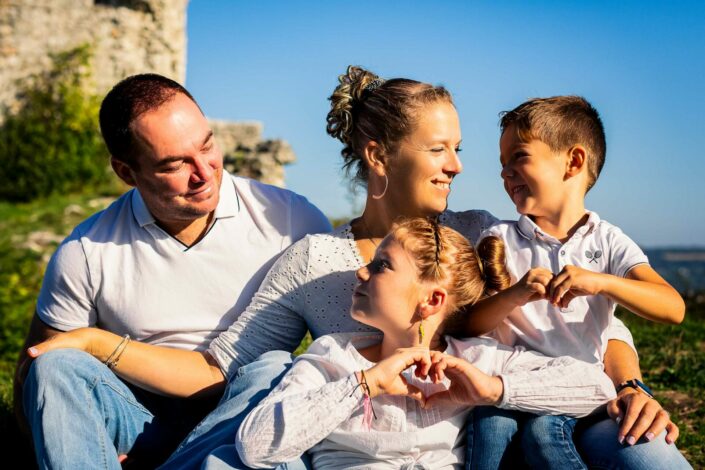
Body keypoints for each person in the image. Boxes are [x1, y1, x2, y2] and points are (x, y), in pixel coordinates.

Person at [26, 68, 681, 468]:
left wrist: (633, 389)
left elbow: (598, 327)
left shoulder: (482, 230)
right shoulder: (314, 256)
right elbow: (231, 373)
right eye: (439, 148)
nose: (457, 165)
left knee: (645, 449)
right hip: (377, 448)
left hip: (532, 414)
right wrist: (93, 346)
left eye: (457, 149)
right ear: (377, 155)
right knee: (267, 374)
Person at [15, 73, 330, 469]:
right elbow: (34, 378)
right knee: (55, 366)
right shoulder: (87, 249)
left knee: (274, 371)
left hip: (243, 420)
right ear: (127, 172)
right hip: (137, 419)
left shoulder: (292, 220)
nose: (204, 172)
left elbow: (340, 354)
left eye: (207, 145)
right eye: (175, 164)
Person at [235, 217, 617, 469]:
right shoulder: (333, 357)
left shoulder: (475, 359)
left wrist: (492, 389)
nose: (361, 270)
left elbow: (596, 386)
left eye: (382, 265)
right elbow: (254, 446)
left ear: (431, 300)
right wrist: (366, 384)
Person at [462, 95, 690, 469]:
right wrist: (516, 295)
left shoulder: (608, 240)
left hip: (581, 391)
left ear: (574, 161)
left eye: (519, 156)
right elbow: (471, 323)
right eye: (502, 164)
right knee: (493, 426)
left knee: (543, 433)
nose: (505, 173)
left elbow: (673, 307)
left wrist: (602, 282)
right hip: (516, 384)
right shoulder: (499, 238)